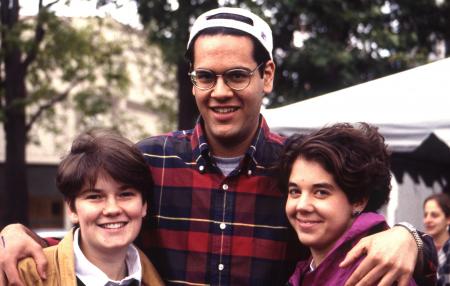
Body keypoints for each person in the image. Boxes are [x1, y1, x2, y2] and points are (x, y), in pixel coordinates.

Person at [0, 7, 436, 286]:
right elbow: (100, 237)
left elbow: (353, 244)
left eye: (237, 75)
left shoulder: (296, 171)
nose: (219, 91)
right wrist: (17, 234)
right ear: (192, 81)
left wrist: (412, 239)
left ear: (266, 76)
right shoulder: (150, 160)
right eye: (205, 76)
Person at [16, 129, 164, 285]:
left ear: (144, 206)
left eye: (125, 194)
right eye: (95, 197)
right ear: (72, 209)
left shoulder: (155, 278)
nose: (112, 209)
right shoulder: (25, 276)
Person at [279, 123, 417, 285]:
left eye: (321, 192)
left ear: (359, 200)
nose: (302, 205)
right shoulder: (309, 268)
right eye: (295, 191)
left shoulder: (375, 274)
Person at [424, 193, 450, 286]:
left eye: (434, 215)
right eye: (425, 215)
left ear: (448, 218)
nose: (427, 220)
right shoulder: (423, 249)